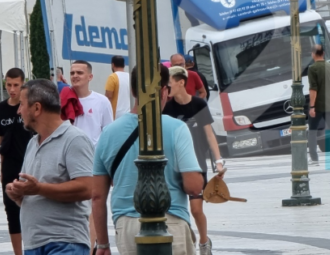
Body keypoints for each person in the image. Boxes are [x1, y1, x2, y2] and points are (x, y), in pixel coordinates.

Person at [91, 66, 205, 255]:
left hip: (126, 224)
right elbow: (193, 186)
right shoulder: (177, 128)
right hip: (171, 221)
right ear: (164, 91)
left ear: (133, 91)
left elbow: (97, 196)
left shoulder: (108, 133)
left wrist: (103, 244)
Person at [6, 79, 95, 255]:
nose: (19, 111)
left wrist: (38, 188)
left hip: (64, 243)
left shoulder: (74, 139)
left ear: (37, 108)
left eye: (22, 105)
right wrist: (18, 192)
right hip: (33, 243)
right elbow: (32, 192)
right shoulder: (33, 143)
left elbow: (87, 188)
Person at [163, 66, 225, 255]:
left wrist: (219, 161)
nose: (166, 87)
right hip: (172, 167)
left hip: (195, 164)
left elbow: (209, 135)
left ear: (181, 82)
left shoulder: (199, 105)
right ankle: (185, 233)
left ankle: (204, 242)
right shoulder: (167, 107)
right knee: (177, 209)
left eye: (170, 82)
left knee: (196, 209)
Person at [68, 60, 113, 251]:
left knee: (94, 206)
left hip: (94, 163)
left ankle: (90, 247)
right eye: (72, 73)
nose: (75, 76)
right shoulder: (64, 100)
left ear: (90, 77)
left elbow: (109, 133)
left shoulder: (101, 101)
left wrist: (109, 167)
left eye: (80, 72)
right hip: (70, 163)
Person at [0, 68, 32, 255]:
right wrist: (1, 167)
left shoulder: (31, 106)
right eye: (9, 84)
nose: (12, 89)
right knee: (11, 210)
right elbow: (1, 139)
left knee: (32, 206)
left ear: (23, 84)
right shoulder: (1, 108)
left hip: (29, 162)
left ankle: (33, 247)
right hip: (9, 163)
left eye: (16, 85)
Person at [104, 55, 131, 120]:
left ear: (113, 65)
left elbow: (108, 97)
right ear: (124, 65)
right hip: (129, 113)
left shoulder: (113, 77)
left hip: (117, 115)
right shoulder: (130, 76)